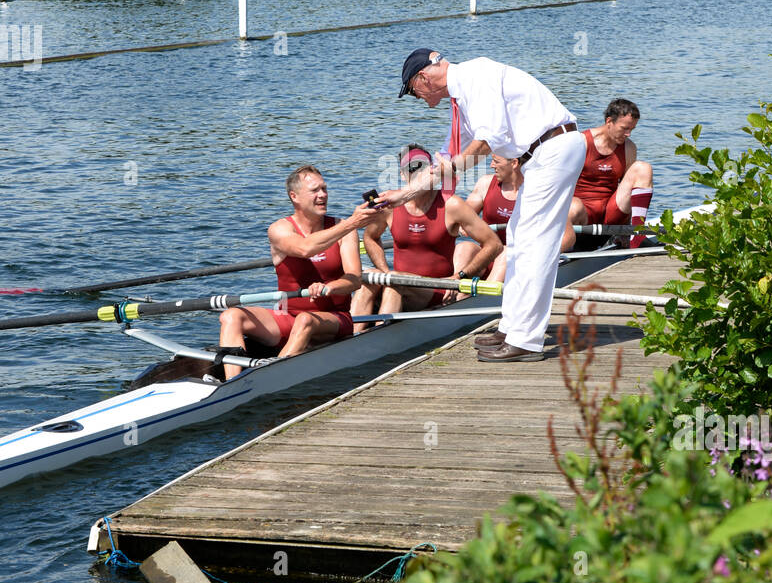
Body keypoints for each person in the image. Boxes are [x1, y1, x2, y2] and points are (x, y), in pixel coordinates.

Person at [382, 49, 586, 362]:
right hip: (541, 155)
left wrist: (457, 167)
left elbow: (489, 139)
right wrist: (402, 195)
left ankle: (526, 340)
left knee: (536, 244)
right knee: (517, 240)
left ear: (423, 77)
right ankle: (512, 326)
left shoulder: (475, 76)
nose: (417, 98)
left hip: (553, 149)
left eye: (412, 91)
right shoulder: (461, 96)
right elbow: (445, 160)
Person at [211, 166, 379, 380]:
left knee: (305, 321)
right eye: (315, 190)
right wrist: (352, 222)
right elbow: (304, 249)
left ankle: (268, 379)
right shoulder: (279, 230)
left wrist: (331, 287)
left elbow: (354, 279)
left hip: (336, 319)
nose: (323, 195)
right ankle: (231, 383)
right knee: (231, 315)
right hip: (288, 315)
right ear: (294, 196)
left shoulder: (344, 229)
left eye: (325, 189)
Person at [353, 144, 502, 325]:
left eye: (422, 167)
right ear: (402, 174)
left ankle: (376, 339)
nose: (417, 173)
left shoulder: (451, 205)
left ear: (432, 170)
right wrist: (384, 270)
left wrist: (460, 276)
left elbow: (494, 244)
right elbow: (370, 237)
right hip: (398, 281)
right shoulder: (390, 207)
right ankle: (352, 336)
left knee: (396, 283)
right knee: (369, 277)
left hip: (436, 289)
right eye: (411, 168)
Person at [565, 99, 653, 250]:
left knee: (643, 168)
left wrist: (626, 227)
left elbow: (630, 192)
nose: (628, 134)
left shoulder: (629, 148)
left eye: (632, 129)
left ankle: (636, 235)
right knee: (572, 207)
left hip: (610, 214)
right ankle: (564, 247)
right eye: (624, 128)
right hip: (582, 215)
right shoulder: (581, 142)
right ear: (609, 121)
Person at [452, 153, 523, 286]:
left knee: (507, 251)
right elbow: (463, 217)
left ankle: (486, 295)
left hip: (518, 258)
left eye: (496, 161)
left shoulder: (533, 191)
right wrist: (463, 226)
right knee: (464, 247)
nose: (491, 165)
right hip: (488, 253)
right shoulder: (485, 183)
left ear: (514, 163)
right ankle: (454, 291)